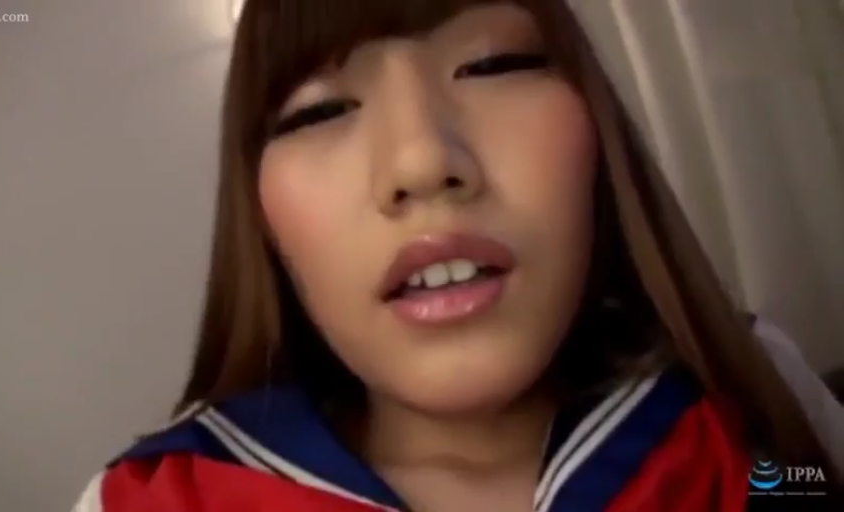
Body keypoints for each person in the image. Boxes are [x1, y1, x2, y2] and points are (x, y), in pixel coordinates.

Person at [72, 0, 843, 510]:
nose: (420, 162)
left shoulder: (763, 410)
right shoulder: (151, 501)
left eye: (492, 65)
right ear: (261, 214)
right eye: (320, 110)